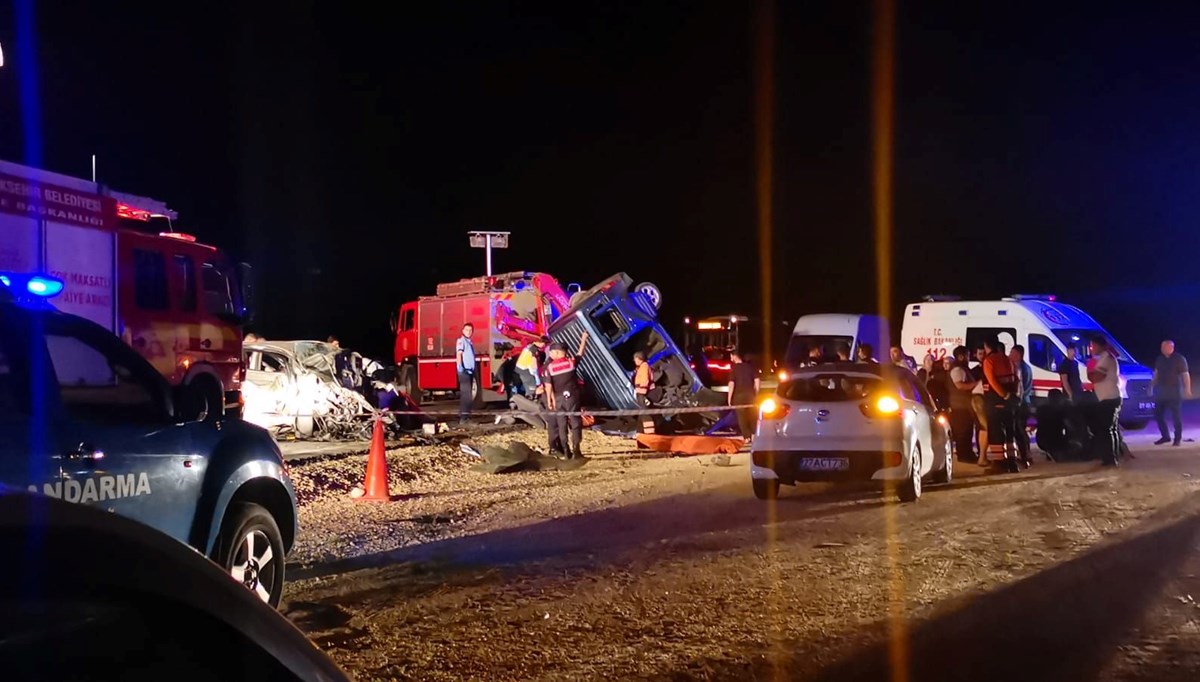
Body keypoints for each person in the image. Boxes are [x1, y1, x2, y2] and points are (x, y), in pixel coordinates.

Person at [546, 332, 590, 458]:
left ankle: (566, 451)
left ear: (559, 353)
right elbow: (580, 353)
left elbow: (548, 386)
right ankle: (577, 450)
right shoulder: (571, 363)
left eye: (552, 352)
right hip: (573, 397)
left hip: (559, 399)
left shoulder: (550, 368)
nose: (550, 354)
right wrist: (583, 339)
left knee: (562, 424)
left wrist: (550, 399)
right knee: (576, 422)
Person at [981, 338, 1020, 465]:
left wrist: (1004, 395)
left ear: (987, 346)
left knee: (995, 430)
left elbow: (992, 381)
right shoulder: (1008, 360)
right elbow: (1016, 379)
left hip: (995, 400)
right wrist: (1012, 395)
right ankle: (1012, 460)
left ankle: (999, 462)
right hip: (1009, 402)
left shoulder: (989, 360)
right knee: (1010, 430)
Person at [1087, 335, 1122, 467]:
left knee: (1107, 430)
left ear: (1100, 346)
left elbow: (1096, 377)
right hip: (1111, 397)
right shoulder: (1106, 357)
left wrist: (1090, 372)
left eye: (1093, 345)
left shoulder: (1106, 359)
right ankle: (1112, 457)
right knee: (1111, 429)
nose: (1091, 348)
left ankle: (1110, 459)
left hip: (1109, 398)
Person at [1151, 339, 1191, 446]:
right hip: (1162, 391)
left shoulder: (1179, 359)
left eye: (1165, 347)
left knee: (1176, 416)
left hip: (1175, 391)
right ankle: (1165, 436)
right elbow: (1157, 373)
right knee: (1158, 414)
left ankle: (1177, 438)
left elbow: (1185, 374)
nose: (1162, 349)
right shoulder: (1159, 359)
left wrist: (1187, 388)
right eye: (1162, 347)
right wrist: (1151, 385)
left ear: (1171, 347)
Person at [948, 346, 979, 462]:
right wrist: (976, 384)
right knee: (963, 432)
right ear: (961, 356)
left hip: (964, 405)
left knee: (967, 431)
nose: (968, 358)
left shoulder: (963, 368)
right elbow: (960, 385)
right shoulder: (957, 370)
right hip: (959, 406)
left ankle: (968, 454)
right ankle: (964, 455)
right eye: (967, 355)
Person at [1009, 344, 1034, 464]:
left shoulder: (1020, 369)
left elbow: (1021, 389)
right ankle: (1026, 455)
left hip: (1021, 403)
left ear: (1018, 355)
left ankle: (1026, 456)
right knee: (1021, 429)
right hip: (1026, 402)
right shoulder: (1027, 367)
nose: (1010, 356)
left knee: (1020, 430)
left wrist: (1016, 401)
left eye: (1012, 353)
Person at [728, 350, 761, 439]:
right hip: (750, 395)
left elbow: (731, 384)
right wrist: (756, 393)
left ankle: (746, 437)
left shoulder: (734, 369)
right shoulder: (750, 367)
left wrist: (729, 398)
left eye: (731, 356)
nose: (730, 358)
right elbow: (757, 380)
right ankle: (754, 435)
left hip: (739, 397)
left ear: (734, 356)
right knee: (753, 415)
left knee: (742, 418)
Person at [455, 323, 477, 425]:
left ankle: (464, 415)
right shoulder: (462, 341)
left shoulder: (469, 342)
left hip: (469, 371)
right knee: (466, 395)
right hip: (464, 371)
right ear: (463, 331)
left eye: (470, 330)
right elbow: (459, 354)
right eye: (467, 330)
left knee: (467, 395)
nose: (469, 332)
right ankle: (464, 418)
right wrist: (460, 367)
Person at [633, 351, 657, 434]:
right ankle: (639, 432)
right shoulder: (642, 367)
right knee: (641, 413)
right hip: (641, 392)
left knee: (645, 413)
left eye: (635, 359)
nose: (634, 361)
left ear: (639, 359)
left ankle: (649, 433)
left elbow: (645, 380)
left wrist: (642, 393)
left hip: (642, 393)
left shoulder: (644, 367)